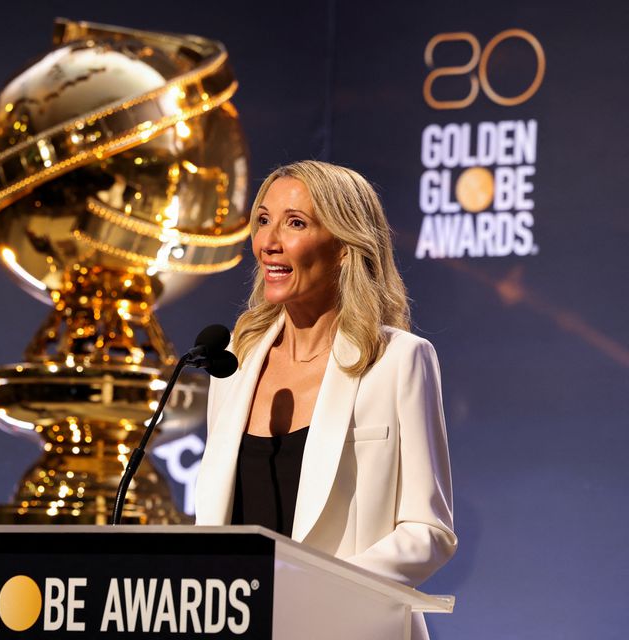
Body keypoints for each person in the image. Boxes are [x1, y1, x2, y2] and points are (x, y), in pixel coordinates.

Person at [194, 160, 457, 640]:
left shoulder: (398, 361)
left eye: (295, 223)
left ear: (343, 247)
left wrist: (313, 588)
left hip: (346, 628)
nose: (269, 241)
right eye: (263, 220)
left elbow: (429, 532)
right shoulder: (235, 360)